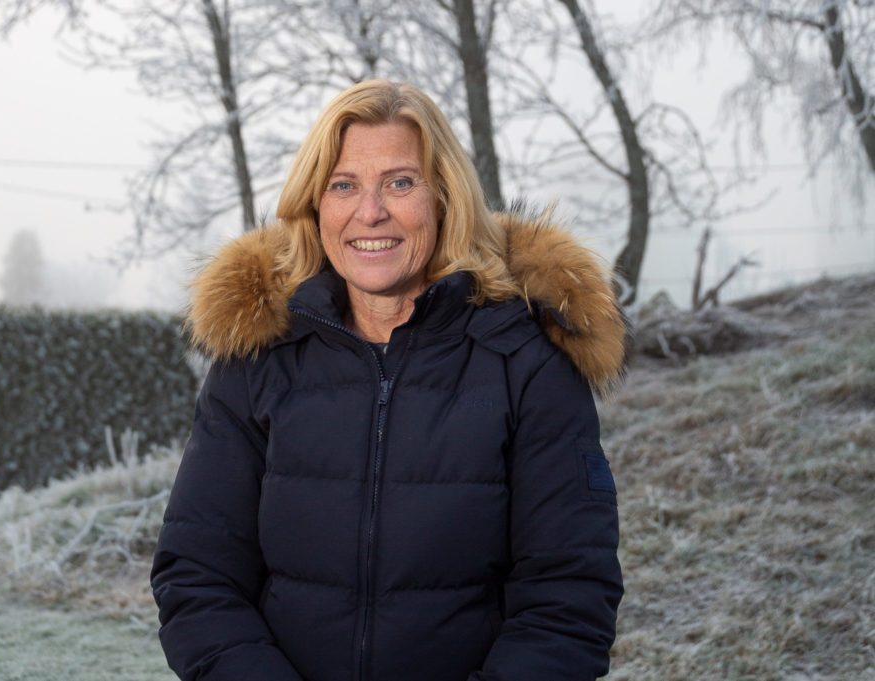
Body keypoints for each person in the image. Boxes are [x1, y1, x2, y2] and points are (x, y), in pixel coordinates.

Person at [151, 80, 626, 681]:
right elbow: (197, 576)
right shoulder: (257, 360)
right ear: (315, 204)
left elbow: (568, 597)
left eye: (400, 183)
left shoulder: (526, 362)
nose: (369, 211)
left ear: (445, 198)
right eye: (343, 185)